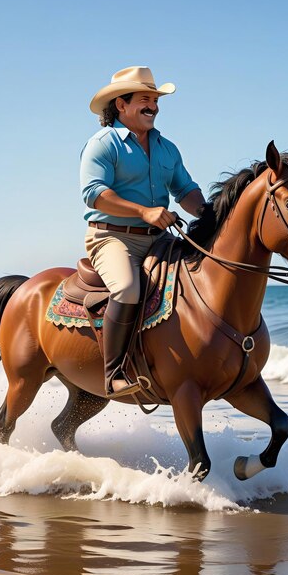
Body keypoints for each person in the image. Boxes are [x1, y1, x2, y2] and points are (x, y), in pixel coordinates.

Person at [80, 66, 206, 399]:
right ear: (121, 104)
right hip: (112, 238)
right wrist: (144, 212)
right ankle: (114, 374)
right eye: (145, 99)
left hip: (159, 238)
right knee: (127, 289)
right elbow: (93, 193)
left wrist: (209, 214)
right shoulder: (102, 144)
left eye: (155, 100)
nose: (154, 106)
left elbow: (186, 190)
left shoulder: (167, 148)